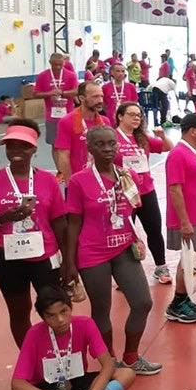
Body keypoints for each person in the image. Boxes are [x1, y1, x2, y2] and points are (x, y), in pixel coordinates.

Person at [64, 126, 160, 375]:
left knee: (142, 302)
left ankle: (131, 356)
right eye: (101, 145)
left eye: (111, 144)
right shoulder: (78, 181)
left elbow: (132, 209)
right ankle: (110, 360)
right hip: (92, 252)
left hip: (123, 248)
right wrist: (70, 262)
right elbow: (73, 223)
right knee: (101, 309)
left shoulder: (127, 175)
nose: (107, 149)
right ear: (90, 148)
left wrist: (133, 235)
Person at [0, 287, 135, 390]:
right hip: (46, 387)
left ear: (70, 307)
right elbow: (17, 383)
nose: (60, 319)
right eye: (51, 315)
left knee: (127, 374)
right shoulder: (34, 334)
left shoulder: (85, 324)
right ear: (43, 317)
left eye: (64, 311)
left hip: (78, 381)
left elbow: (108, 364)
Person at [0, 121, 66, 346]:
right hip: (7, 257)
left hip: (45, 256)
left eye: (23, 146)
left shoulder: (47, 181)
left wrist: (69, 262)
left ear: (34, 149)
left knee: (55, 310)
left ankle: (59, 357)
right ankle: (30, 361)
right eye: (10, 145)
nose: (16, 151)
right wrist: (5, 217)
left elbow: (60, 223)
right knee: (19, 312)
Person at [164, 113, 196, 324]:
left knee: (193, 257)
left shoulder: (193, 152)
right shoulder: (178, 154)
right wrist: (184, 221)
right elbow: (175, 189)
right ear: (193, 130)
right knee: (189, 259)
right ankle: (177, 303)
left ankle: (183, 297)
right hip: (189, 219)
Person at [113, 103, 173, 285]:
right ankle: (125, 275)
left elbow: (167, 147)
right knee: (125, 232)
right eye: (131, 114)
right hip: (123, 193)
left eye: (139, 115)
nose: (136, 118)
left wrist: (162, 135)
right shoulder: (112, 138)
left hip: (146, 191)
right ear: (120, 116)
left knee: (154, 229)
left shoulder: (143, 138)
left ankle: (161, 267)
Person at [54, 82, 111, 181]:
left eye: (101, 96)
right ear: (81, 98)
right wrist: (70, 183)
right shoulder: (67, 122)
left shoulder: (105, 122)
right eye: (95, 97)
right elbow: (63, 156)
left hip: (101, 179)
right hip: (79, 180)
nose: (100, 100)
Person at [33, 53, 78, 146]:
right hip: (52, 117)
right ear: (50, 62)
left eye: (60, 64)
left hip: (68, 115)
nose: (58, 67)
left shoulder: (71, 75)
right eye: (55, 64)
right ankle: (57, 161)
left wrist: (62, 93)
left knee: (70, 143)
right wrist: (49, 94)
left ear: (64, 63)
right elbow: (35, 94)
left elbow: (76, 91)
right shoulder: (42, 75)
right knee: (55, 143)